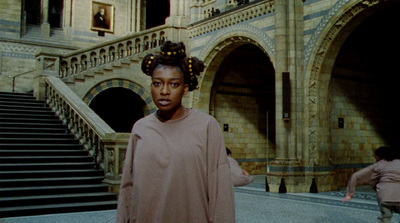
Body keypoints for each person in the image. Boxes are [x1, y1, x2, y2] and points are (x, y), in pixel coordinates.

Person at [117, 41, 235, 223]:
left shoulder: (206, 126)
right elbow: (128, 187)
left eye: (173, 84)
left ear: (185, 88)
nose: (164, 91)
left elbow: (220, 191)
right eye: (157, 83)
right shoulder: (140, 128)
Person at [342, 146, 400, 223]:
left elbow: (355, 176)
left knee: (386, 217)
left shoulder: (378, 165)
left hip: (384, 195)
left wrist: (350, 193)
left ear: (378, 156)